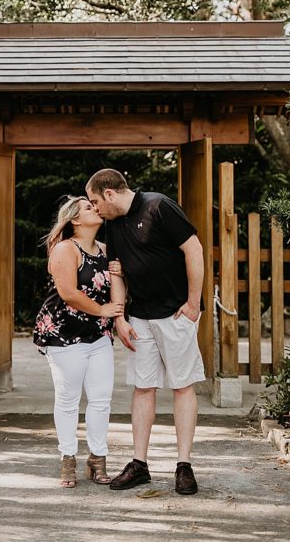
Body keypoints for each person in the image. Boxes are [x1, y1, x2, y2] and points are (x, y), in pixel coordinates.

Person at [85, 169, 206, 496]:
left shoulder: (159, 206)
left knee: (182, 386)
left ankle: (184, 466)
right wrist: (120, 317)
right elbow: (116, 273)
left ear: (109, 194)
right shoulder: (111, 225)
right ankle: (139, 464)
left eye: (96, 201)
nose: (95, 209)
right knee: (143, 387)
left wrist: (193, 303)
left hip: (176, 313)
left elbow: (194, 249)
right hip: (139, 318)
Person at [33, 196, 127, 488]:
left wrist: (117, 313)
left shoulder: (106, 250)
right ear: (74, 219)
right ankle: (68, 458)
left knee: (101, 399)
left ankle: (98, 459)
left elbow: (118, 284)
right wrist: (102, 310)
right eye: (88, 207)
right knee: (68, 399)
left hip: (98, 335)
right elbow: (68, 292)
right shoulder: (64, 249)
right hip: (63, 334)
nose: (95, 209)